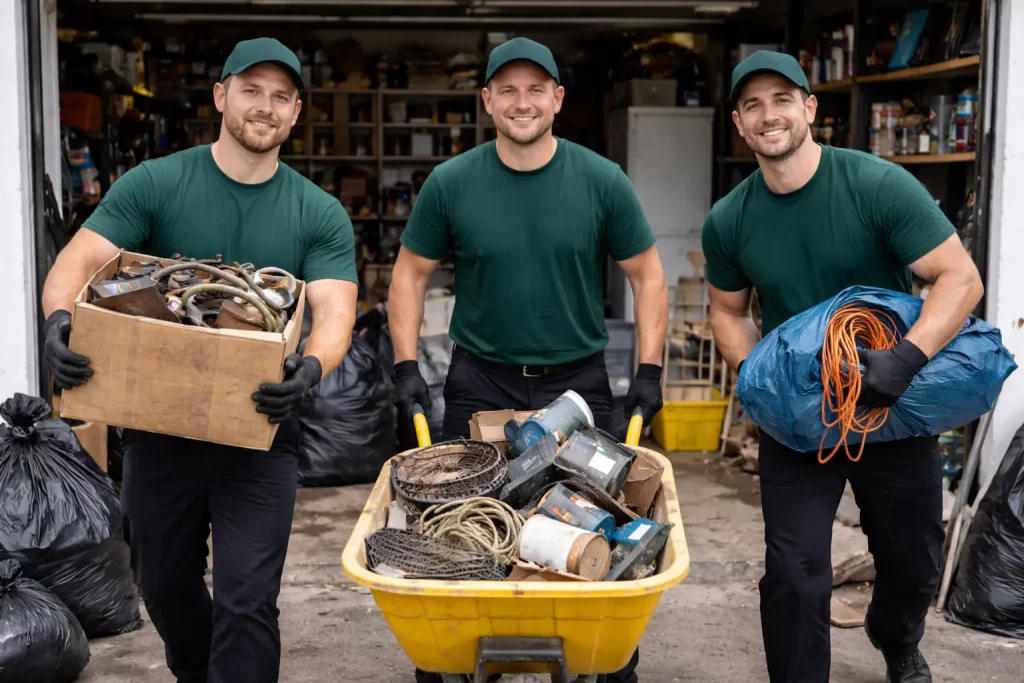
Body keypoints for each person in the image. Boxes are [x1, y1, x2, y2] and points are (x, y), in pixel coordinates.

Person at [40, 37, 359, 683]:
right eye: (251, 91)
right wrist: (59, 322)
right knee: (161, 582)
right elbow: (77, 261)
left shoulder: (317, 212)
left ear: (295, 112)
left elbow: (335, 313)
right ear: (220, 96)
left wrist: (313, 368)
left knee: (247, 599)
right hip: (161, 426)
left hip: (262, 431)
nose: (263, 108)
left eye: (279, 97)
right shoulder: (156, 184)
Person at [387, 37, 668, 683]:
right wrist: (405, 366)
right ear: (486, 100)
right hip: (479, 377)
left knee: (596, 520)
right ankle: (450, 660)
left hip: (577, 382)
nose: (522, 102)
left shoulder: (601, 180)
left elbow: (648, 276)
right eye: (507, 89)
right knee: (460, 525)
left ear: (558, 99)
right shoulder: (452, 182)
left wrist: (649, 372)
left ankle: (605, 660)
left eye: (536, 88)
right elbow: (408, 276)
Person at [702, 50, 984, 683]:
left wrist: (904, 360)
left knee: (912, 562)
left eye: (781, 100)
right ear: (739, 125)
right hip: (800, 420)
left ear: (809, 108)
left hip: (890, 401)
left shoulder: (875, 185)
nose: (768, 115)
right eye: (753, 105)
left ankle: (896, 636)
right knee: (796, 571)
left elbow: (959, 279)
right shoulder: (729, 219)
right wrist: (760, 381)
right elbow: (728, 310)